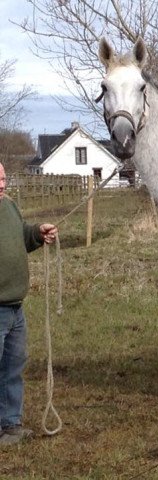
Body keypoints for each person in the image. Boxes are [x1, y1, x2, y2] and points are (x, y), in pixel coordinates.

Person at [0, 162, 58, 446]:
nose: (2, 185)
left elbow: (19, 236)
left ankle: (10, 426)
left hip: (14, 307)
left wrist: (37, 233)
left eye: (3, 179)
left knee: (12, 368)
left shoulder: (8, 206)